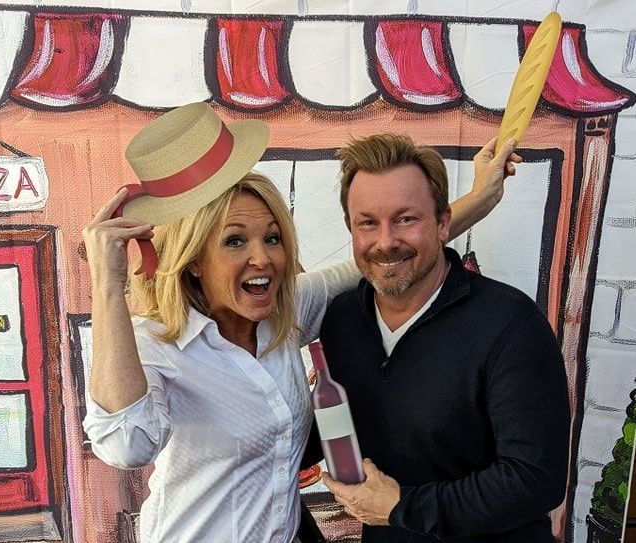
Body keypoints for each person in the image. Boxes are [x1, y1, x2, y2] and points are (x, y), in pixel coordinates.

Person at [82, 102, 521, 543]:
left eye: (272, 238)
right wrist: (107, 286)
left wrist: (480, 198)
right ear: (194, 260)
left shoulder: (283, 314)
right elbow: (126, 446)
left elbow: (382, 259)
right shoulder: (154, 343)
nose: (263, 258)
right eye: (235, 241)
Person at [319, 134, 570, 543]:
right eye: (368, 222)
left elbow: (535, 479)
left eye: (406, 219)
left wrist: (404, 508)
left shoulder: (510, 325)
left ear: (442, 222)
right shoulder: (342, 319)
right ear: (351, 228)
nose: (385, 242)